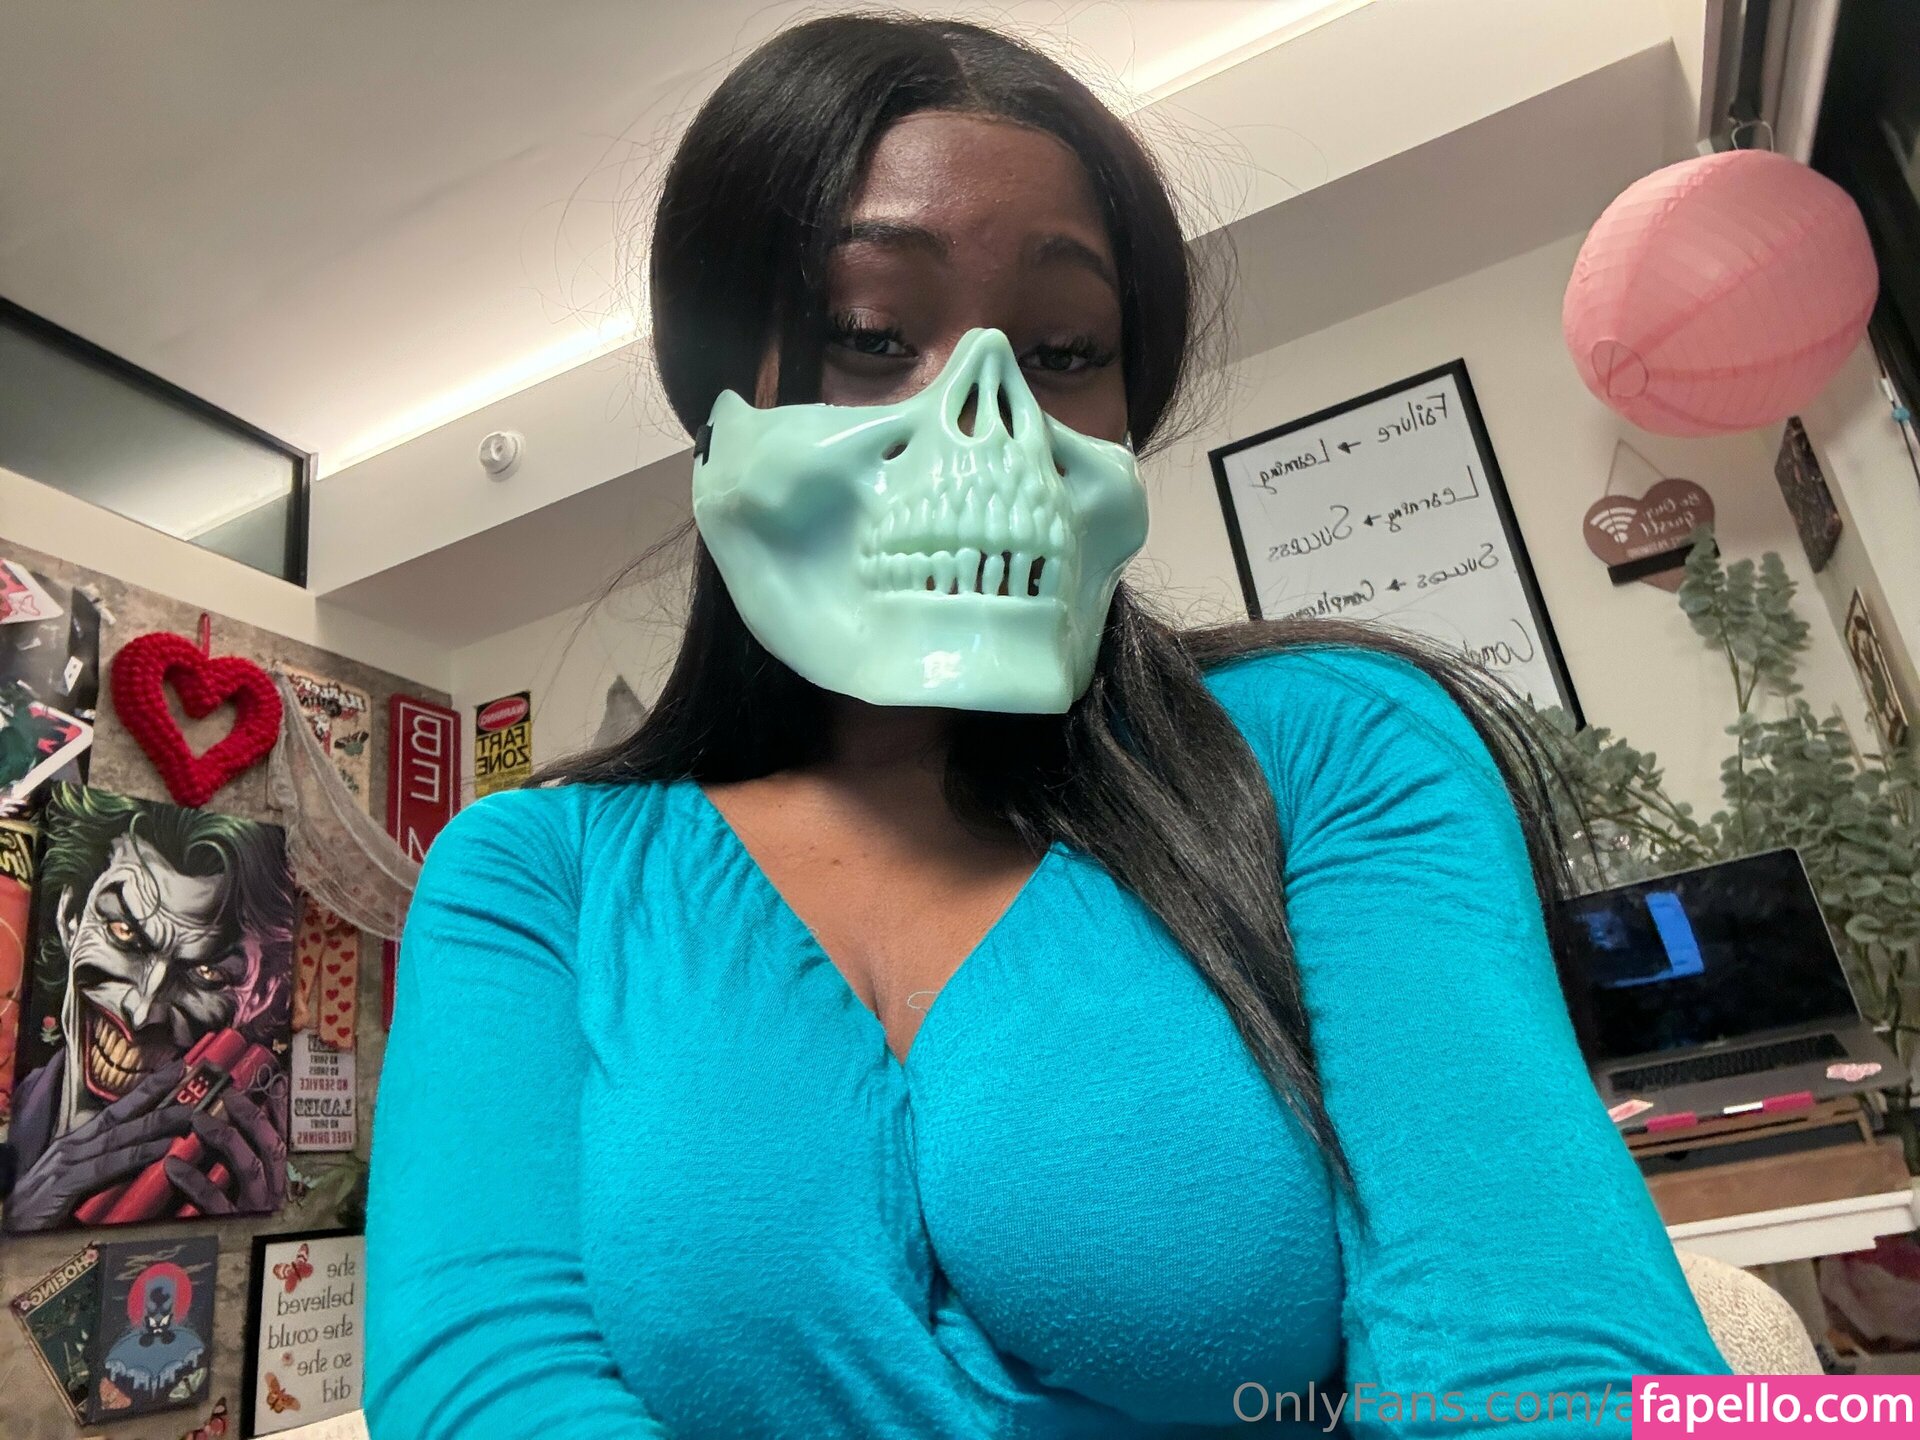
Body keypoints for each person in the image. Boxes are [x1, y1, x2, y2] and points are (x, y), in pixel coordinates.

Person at [365, 15, 1728, 1438]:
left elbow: (1549, 1365)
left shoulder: (1330, 750)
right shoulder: (535, 876)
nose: (986, 433)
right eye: (869, 335)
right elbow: (487, 1391)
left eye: (1067, 351)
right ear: (717, 391)